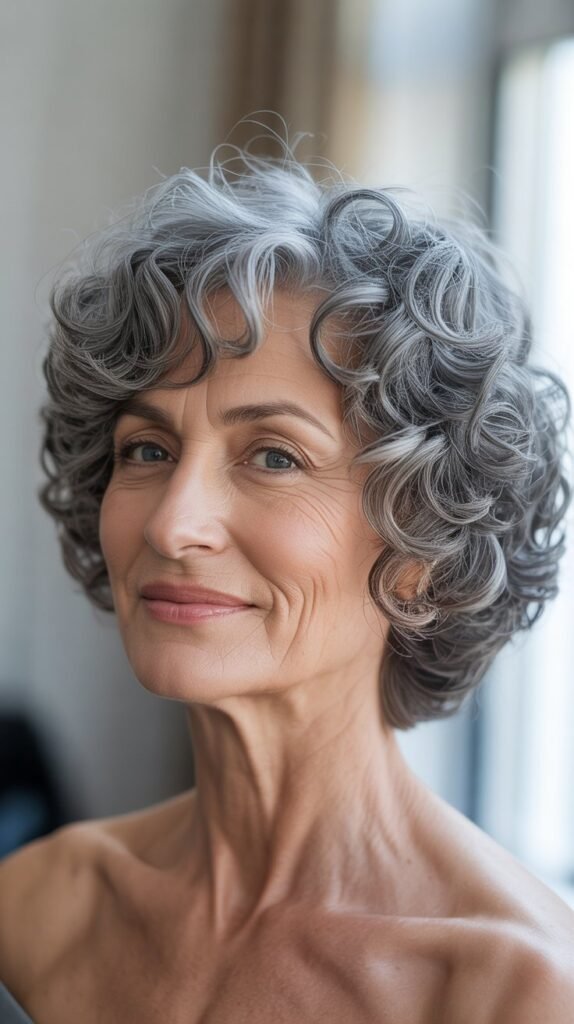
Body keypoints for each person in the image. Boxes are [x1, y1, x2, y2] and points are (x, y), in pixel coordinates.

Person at [1, 137, 573, 1024]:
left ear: (425, 541)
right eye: (147, 449)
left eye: (273, 455)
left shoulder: (516, 992)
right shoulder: (39, 909)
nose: (171, 523)